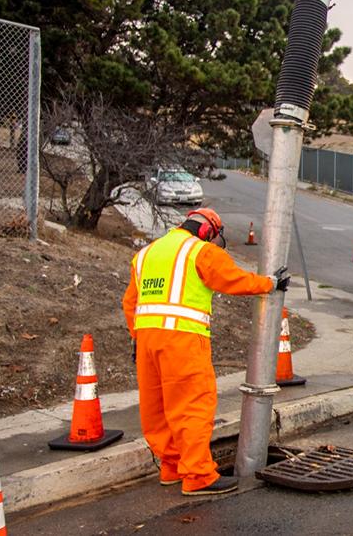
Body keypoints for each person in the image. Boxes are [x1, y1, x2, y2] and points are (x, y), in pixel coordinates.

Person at [122, 208, 290, 496]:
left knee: (158, 407)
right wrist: (270, 283)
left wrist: (139, 336)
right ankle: (198, 476)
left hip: (148, 340)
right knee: (193, 406)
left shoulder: (146, 254)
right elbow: (234, 279)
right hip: (184, 340)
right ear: (206, 231)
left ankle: (171, 466)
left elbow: (130, 303)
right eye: (213, 236)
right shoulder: (199, 251)